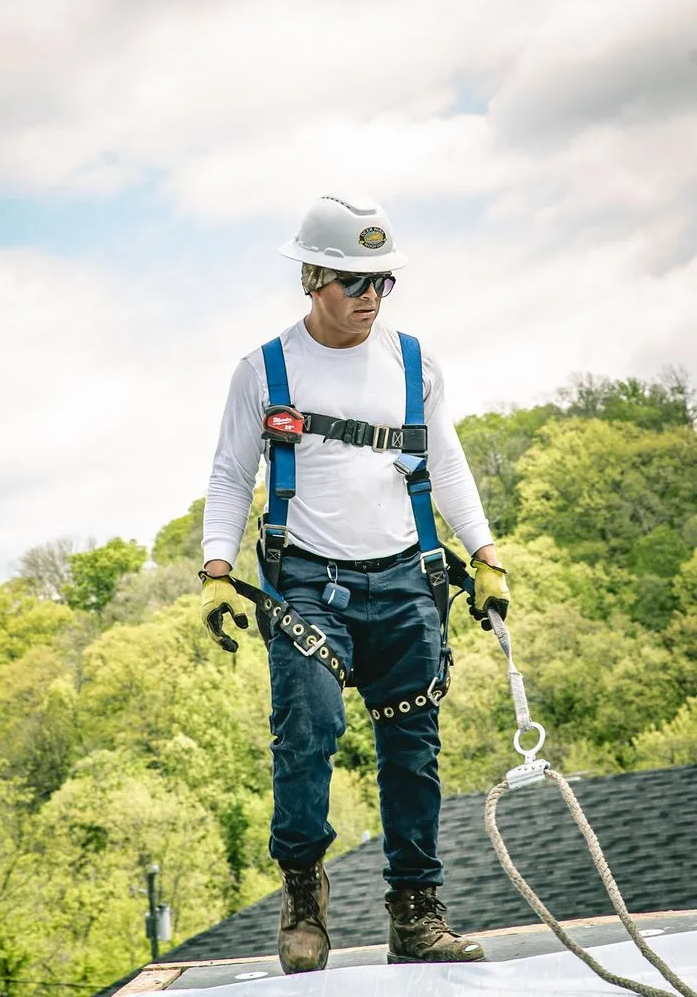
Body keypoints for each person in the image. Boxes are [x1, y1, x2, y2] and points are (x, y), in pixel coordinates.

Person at [199, 193, 510, 974]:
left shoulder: (414, 364)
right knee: (306, 737)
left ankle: (416, 913)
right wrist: (216, 571)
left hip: (407, 581)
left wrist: (485, 556)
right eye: (352, 282)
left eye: (382, 283)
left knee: (414, 749)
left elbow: (447, 463)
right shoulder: (265, 371)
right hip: (307, 584)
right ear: (312, 279)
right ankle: (304, 899)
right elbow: (232, 472)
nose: (369, 297)